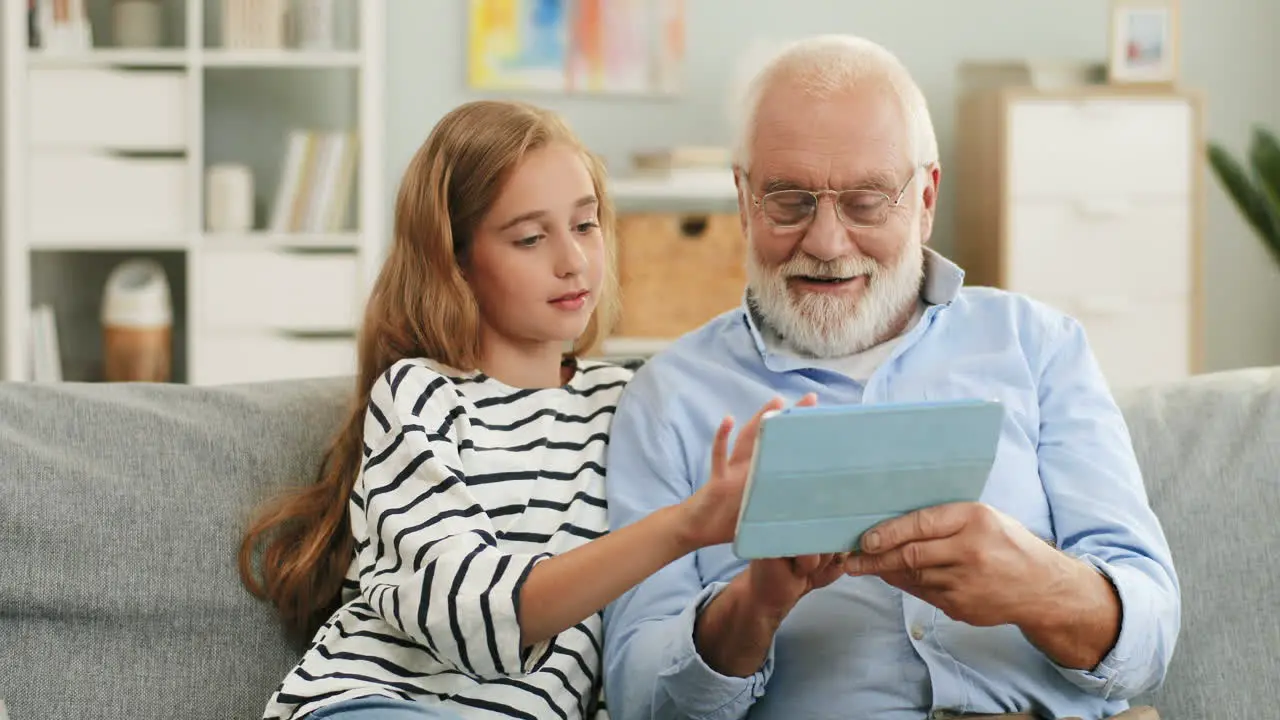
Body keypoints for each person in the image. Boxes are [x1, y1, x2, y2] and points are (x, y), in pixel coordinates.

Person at [601, 35, 1179, 720]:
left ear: (926, 197)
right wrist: (750, 610)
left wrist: (1037, 586)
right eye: (788, 200)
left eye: (866, 202)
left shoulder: (1037, 347)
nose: (826, 242)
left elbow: (1150, 638)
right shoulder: (666, 398)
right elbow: (638, 696)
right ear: (743, 199)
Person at [237, 100, 805, 720]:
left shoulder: (630, 403)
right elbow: (477, 614)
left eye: (585, 226)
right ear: (454, 261)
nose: (572, 260)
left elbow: (639, 649)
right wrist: (683, 524)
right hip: (376, 703)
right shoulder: (420, 396)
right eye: (531, 238)